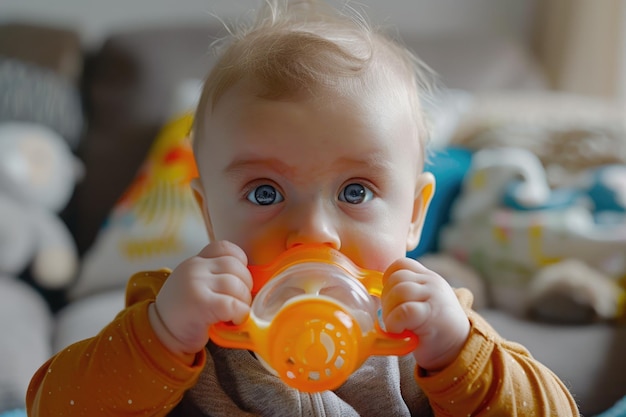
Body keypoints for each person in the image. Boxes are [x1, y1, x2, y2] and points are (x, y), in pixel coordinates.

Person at [27, 0, 580, 415]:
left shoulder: (429, 329)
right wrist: (161, 336)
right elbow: (52, 407)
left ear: (413, 214)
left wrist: (460, 351)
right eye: (265, 193)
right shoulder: (177, 319)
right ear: (210, 214)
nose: (314, 232)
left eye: (355, 192)